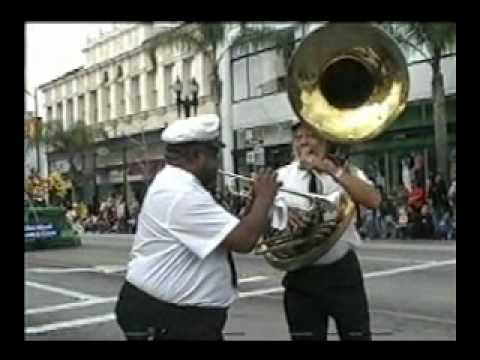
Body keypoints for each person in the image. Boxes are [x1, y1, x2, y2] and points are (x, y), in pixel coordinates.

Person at [114, 114, 280, 341]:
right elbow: (244, 241)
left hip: (178, 315)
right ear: (197, 156)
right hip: (170, 317)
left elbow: (224, 235)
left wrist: (252, 209)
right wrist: (264, 198)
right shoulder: (181, 193)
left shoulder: (178, 184)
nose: (217, 165)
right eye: (215, 156)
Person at [270, 120, 381, 341]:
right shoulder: (281, 177)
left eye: (310, 135)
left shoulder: (345, 171)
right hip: (301, 275)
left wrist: (331, 170)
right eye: (298, 137)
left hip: (342, 273)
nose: (304, 142)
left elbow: (373, 200)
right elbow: (265, 219)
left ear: (325, 140)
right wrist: (283, 216)